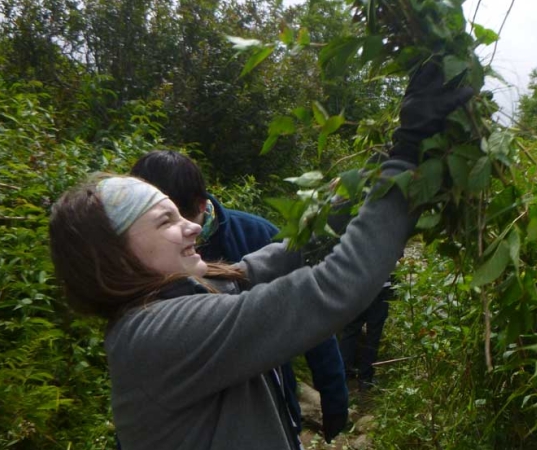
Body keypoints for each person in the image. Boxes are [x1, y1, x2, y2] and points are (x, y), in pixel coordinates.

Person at [48, 59, 472, 449]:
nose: (193, 226)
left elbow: (263, 264)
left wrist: (374, 176)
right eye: (165, 221)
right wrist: (407, 161)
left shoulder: (174, 302)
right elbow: (330, 290)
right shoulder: (158, 334)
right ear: (115, 256)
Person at [129, 150, 349, 443]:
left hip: (273, 416)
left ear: (202, 204)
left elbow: (312, 316)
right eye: (163, 223)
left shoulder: (257, 235)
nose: (184, 233)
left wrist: (334, 401)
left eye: (184, 219)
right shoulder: (141, 262)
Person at [339, 276, 395, 391]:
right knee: (373, 335)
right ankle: (365, 378)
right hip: (379, 288)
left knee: (350, 332)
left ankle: (342, 374)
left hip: (356, 285)